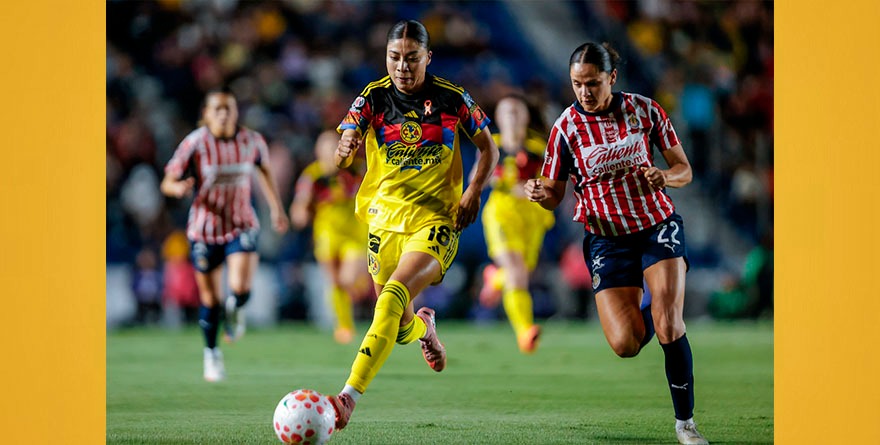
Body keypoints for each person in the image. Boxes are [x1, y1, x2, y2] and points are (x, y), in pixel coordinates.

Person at [524, 42, 709, 444]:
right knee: (625, 344)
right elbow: (555, 193)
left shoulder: (646, 110)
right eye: (577, 84)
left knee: (668, 323)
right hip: (606, 240)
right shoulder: (565, 128)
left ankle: (686, 424)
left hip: (655, 226)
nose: (585, 92)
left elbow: (684, 169)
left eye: (593, 83)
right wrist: (542, 194)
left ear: (612, 78)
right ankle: (655, 302)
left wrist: (665, 176)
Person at [328, 19, 499, 430]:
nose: (402, 66)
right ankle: (425, 329)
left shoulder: (452, 99)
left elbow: (488, 149)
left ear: (428, 58)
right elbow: (341, 157)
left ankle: (348, 397)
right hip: (383, 221)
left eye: (411, 58)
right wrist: (344, 148)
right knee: (398, 320)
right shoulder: (372, 97)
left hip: (436, 219)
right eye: (394, 57)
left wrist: (472, 191)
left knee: (389, 299)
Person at [160, 87, 289, 382]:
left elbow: (265, 172)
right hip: (204, 229)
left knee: (241, 287)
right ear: (206, 114)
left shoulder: (252, 141)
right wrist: (177, 188)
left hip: (241, 224)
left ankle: (237, 307)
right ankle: (212, 355)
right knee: (211, 300)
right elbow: (167, 180)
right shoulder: (194, 143)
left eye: (229, 108)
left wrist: (276, 209)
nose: (223, 114)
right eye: (217, 109)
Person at [478, 94, 554, 354]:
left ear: (525, 116)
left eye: (516, 111)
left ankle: (495, 278)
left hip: (532, 217)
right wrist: (498, 180)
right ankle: (525, 332)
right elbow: (477, 179)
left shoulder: (538, 147)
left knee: (520, 273)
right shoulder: (492, 145)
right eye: (506, 111)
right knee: (517, 271)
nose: (511, 115)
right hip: (501, 213)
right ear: (498, 117)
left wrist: (535, 188)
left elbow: (552, 183)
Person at [289, 129, 371, 344]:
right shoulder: (312, 176)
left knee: (348, 279)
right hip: (326, 235)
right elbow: (299, 204)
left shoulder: (357, 168)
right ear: (318, 152)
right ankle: (344, 327)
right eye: (323, 149)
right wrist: (300, 214)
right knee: (335, 283)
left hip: (355, 232)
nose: (328, 153)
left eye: (331, 147)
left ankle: (363, 286)